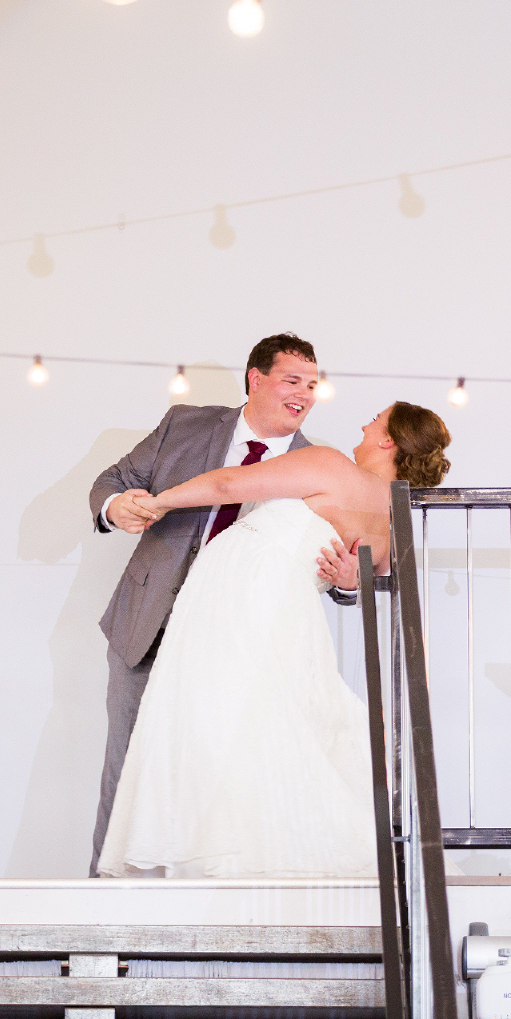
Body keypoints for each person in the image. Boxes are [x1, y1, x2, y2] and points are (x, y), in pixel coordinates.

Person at [96, 402, 451, 877]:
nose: (364, 423)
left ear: (388, 441)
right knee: (258, 722)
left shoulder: (331, 465)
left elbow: (228, 484)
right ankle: (251, 859)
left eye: (375, 420)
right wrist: (350, 580)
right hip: (286, 608)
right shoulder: (393, 514)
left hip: (240, 595)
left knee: (215, 723)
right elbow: (373, 576)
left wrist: (157, 503)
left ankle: (214, 858)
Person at [87, 334, 362, 877]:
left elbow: (340, 565)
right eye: (292, 381)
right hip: (150, 627)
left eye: (312, 385)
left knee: (222, 777)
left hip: (240, 647)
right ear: (255, 378)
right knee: (130, 774)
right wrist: (116, 506)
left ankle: (197, 918)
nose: (304, 395)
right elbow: (113, 482)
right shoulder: (184, 424)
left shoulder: (319, 464)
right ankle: (106, 915)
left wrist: (349, 583)